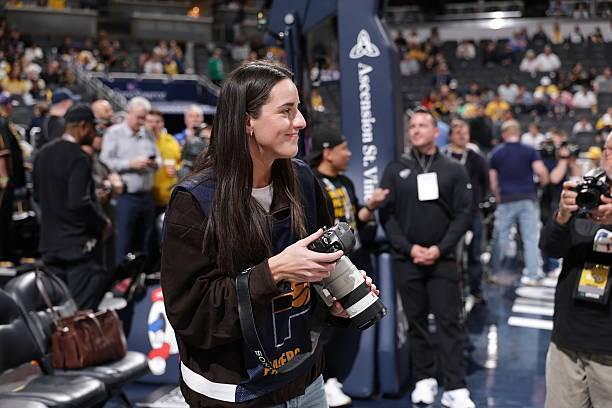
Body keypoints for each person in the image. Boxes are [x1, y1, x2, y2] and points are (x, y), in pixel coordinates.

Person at [160, 61, 378, 407]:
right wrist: (274, 271)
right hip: (236, 394)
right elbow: (193, 314)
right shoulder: (195, 200)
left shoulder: (303, 180)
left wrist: (332, 302)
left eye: (299, 109)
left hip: (305, 381)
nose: (301, 121)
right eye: (286, 112)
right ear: (247, 121)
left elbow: (316, 273)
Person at [380, 108, 475, 408]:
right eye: (412, 126)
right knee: (416, 321)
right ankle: (424, 379)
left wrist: (440, 248)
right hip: (407, 260)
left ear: (436, 132)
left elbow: (464, 214)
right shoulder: (396, 168)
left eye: (423, 125)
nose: (416, 130)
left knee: (450, 322)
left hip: (443, 259)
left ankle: (455, 386)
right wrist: (409, 249)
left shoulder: (453, 169)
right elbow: (387, 216)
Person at [307, 127, 389, 407]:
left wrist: (371, 206)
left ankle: (332, 378)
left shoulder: (345, 182)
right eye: (344, 148)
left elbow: (355, 219)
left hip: (354, 262)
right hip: (327, 269)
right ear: (328, 152)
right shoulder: (311, 183)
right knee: (325, 325)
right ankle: (323, 379)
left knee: (347, 324)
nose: (349, 153)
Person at [540, 131, 612, 408]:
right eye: (607, 150)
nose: (610, 156)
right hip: (568, 339)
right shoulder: (586, 192)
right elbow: (550, 248)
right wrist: (561, 216)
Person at [33, 104, 111, 309]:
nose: (95, 133)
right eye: (93, 128)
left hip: (50, 246)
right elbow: (78, 202)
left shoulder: (42, 154)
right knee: (80, 314)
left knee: (56, 314)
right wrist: (102, 223)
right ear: (83, 127)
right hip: (78, 249)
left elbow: (38, 197)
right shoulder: (79, 156)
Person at [100, 96, 159, 267]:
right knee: (123, 242)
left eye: (144, 118)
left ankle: (139, 277)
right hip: (125, 197)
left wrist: (153, 163)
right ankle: (120, 277)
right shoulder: (114, 133)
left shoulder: (147, 134)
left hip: (147, 196)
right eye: (139, 117)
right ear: (129, 113)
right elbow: (105, 160)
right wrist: (129, 164)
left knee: (145, 243)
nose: (142, 121)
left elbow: (159, 159)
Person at [489, 120, 549, 284]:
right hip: (527, 199)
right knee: (530, 238)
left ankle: (496, 273)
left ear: (503, 134)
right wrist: (540, 187)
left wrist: (498, 196)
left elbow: (493, 182)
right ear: (518, 133)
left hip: (506, 199)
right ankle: (533, 275)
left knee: (500, 237)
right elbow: (541, 172)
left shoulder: (496, 153)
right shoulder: (529, 150)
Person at [442, 116, 489, 302]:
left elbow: (485, 181)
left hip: (472, 213)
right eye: (458, 132)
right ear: (450, 135)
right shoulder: (443, 157)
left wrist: (477, 201)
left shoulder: (476, 158)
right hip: (449, 214)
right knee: (450, 254)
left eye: (465, 132)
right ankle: (453, 290)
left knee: (475, 254)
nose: (462, 135)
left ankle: (476, 290)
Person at [0, 94, 26, 264]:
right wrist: (4, 178)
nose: (12, 107)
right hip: (3, 181)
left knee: (6, 218)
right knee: (2, 218)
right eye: (9, 104)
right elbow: (3, 152)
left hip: (8, 179)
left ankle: (9, 253)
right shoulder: (1, 123)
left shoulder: (5, 122)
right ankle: (2, 255)